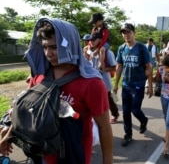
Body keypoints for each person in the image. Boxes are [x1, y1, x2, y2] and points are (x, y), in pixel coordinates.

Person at [0, 18, 113, 164]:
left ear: (69, 46)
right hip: (38, 153)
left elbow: (104, 126)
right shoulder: (40, 75)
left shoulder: (91, 83)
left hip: (71, 157)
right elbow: (28, 110)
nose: (48, 53)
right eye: (45, 47)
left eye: (54, 47)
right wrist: (9, 133)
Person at [113, 23, 153, 147]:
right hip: (126, 84)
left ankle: (143, 120)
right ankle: (128, 134)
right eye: (124, 32)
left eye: (128, 32)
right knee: (125, 112)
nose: (126, 35)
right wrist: (115, 84)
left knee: (135, 109)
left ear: (134, 33)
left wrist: (150, 86)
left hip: (139, 84)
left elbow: (148, 67)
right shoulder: (121, 48)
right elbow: (119, 66)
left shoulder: (141, 48)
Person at [86, 32, 120, 124]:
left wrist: (104, 68)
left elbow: (115, 67)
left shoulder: (108, 52)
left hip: (105, 81)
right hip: (94, 81)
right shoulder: (91, 51)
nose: (91, 42)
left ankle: (115, 114)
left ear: (100, 40)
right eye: (90, 40)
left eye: (94, 40)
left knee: (110, 99)